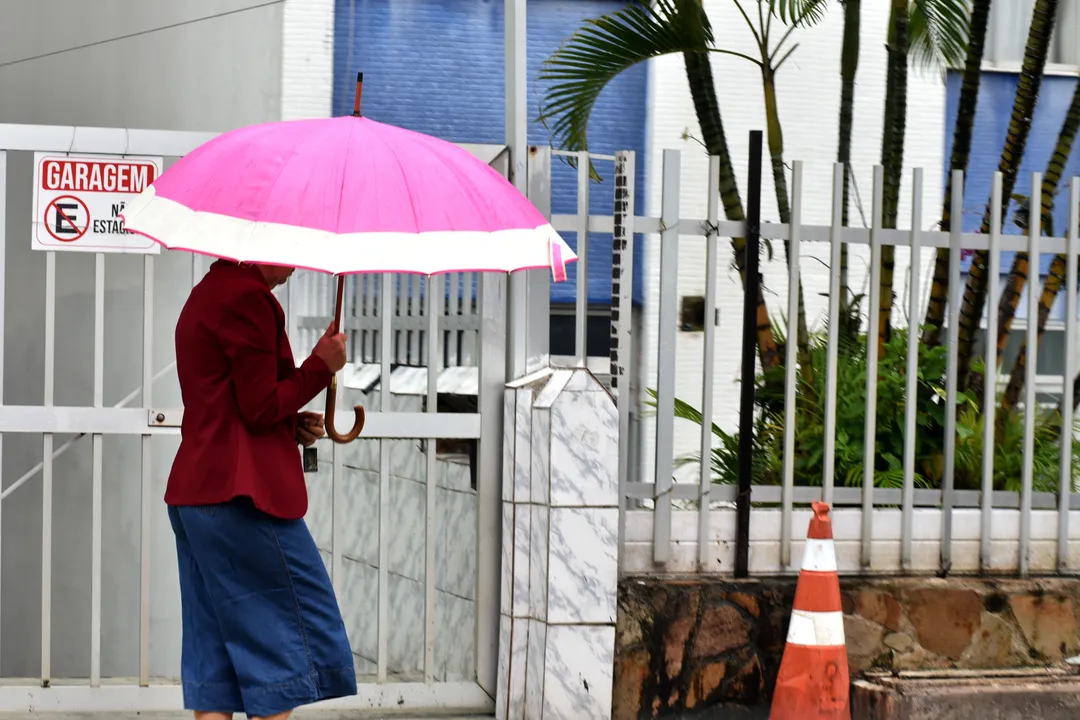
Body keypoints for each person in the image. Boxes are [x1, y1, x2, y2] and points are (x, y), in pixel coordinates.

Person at [165, 259, 358, 720]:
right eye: (287, 250)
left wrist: (289, 424)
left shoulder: (206, 292)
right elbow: (259, 406)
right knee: (283, 644)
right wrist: (320, 366)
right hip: (241, 498)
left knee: (216, 661)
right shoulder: (250, 300)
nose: (294, 263)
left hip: (196, 494)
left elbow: (228, 400)